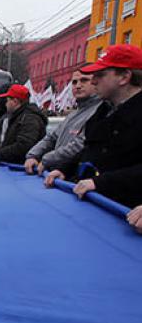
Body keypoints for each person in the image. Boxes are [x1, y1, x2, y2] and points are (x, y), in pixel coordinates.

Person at [45, 44, 142, 208]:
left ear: (124, 77)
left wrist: (101, 182)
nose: (94, 81)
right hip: (94, 207)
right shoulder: (104, 110)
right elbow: (91, 150)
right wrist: (65, 170)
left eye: (100, 75)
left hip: (124, 216)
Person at [24, 70, 101, 175]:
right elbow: (51, 137)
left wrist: (47, 159)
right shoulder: (72, 115)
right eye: (74, 82)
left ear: (97, 82)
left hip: (75, 177)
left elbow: (78, 145)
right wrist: (33, 155)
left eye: (84, 80)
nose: (78, 86)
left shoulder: (99, 111)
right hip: (57, 174)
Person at [0, 84, 47, 166]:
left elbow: (23, 146)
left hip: (22, 169)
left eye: (7, 100)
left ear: (15, 101)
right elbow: (10, 142)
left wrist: (0, 153)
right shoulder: (17, 116)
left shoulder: (30, 119)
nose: (5, 103)